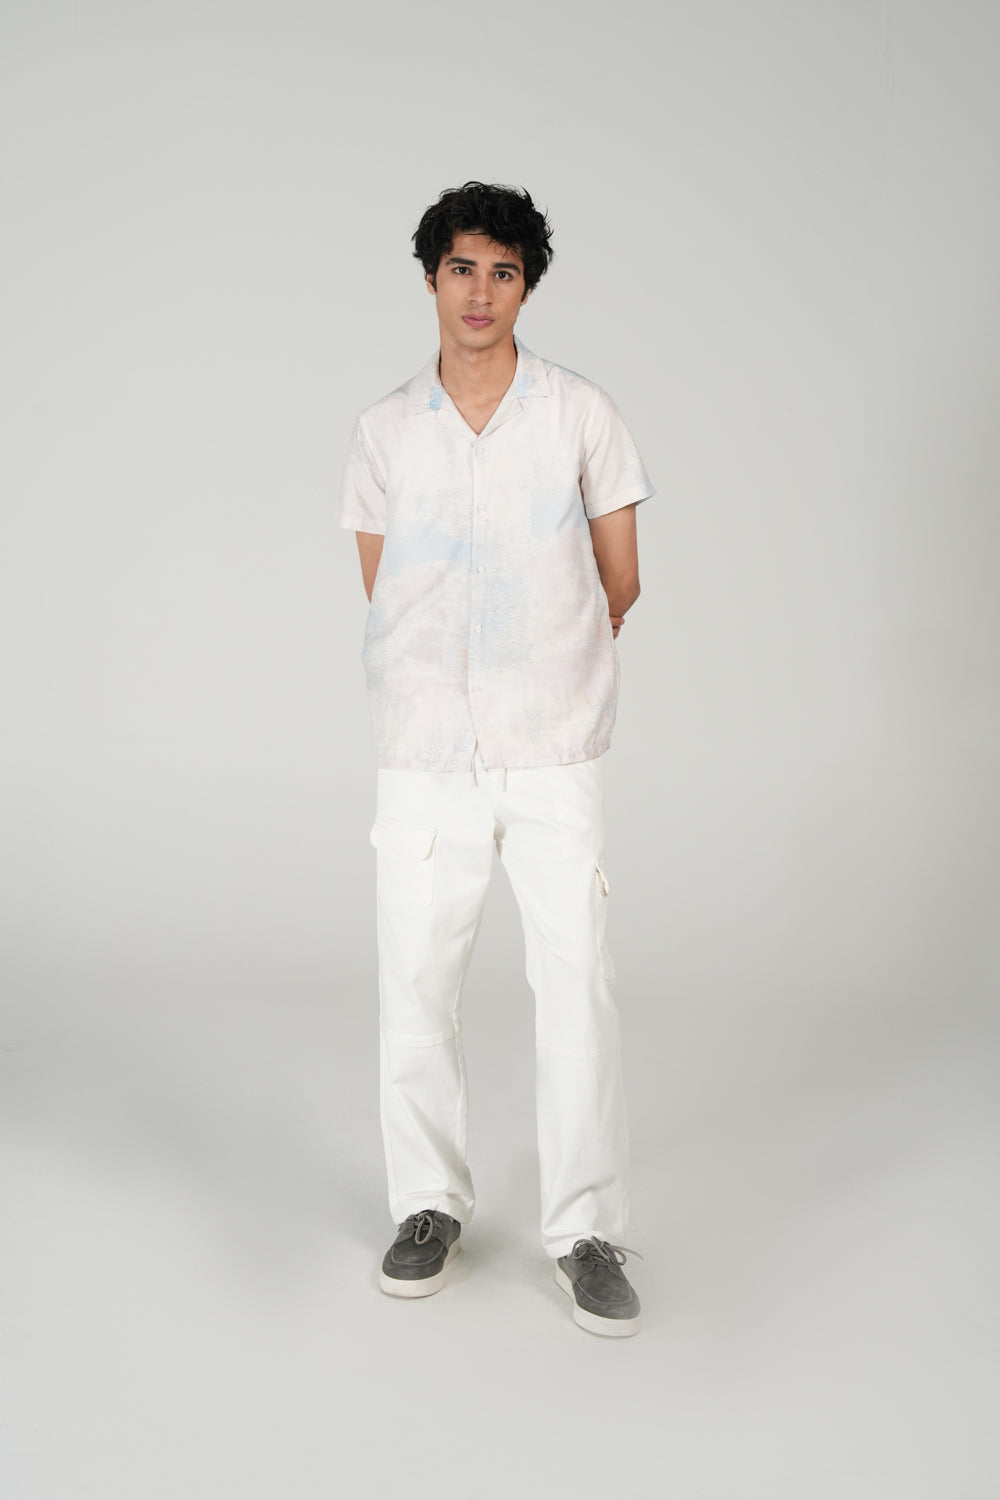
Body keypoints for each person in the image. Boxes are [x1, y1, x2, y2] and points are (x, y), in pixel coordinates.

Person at [338, 181, 653, 1337]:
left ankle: (585, 1231)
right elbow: (386, 587)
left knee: (577, 986)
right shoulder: (384, 430)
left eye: (503, 271)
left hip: (551, 746)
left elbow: (622, 578)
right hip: (424, 752)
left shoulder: (579, 415)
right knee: (415, 985)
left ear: (527, 286)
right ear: (431, 278)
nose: (480, 292)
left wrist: (542, 664)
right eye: (462, 268)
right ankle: (426, 1205)